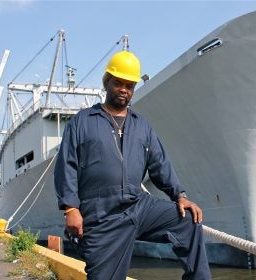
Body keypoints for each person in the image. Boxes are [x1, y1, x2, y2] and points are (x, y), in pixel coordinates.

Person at [54, 50, 212, 280]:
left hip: (138, 205)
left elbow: (160, 164)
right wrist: (71, 208)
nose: (124, 90)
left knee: (187, 221)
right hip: (101, 215)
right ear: (107, 82)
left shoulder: (142, 126)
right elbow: (66, 166)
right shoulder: (82, 122)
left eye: (130, 85)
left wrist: (180, 195)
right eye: (119, 83)